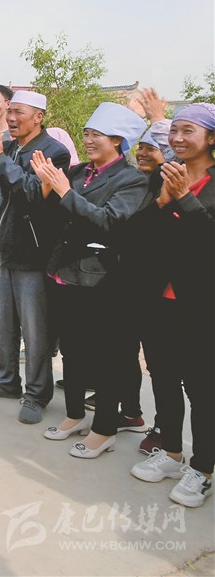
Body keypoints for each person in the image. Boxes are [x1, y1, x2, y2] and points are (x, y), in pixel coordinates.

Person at [32, 102, 148, 457]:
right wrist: (48, 190)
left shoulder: (132, 180)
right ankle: (75, 415)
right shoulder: (79, 171)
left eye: (97, 135)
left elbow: (109, 221)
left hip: (101, 279)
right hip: (64, 272)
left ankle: (105, 429)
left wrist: (64, 192)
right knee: (72, 351)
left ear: (118, 140)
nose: (88, 140)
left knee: (104, 355)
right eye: (86, 133)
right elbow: (55, 217)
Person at [129, 103, 215, 508]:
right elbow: (138, 234)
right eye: (174, 130)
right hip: (156, 298)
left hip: (200, 302)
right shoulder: (163, 175)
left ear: (211, 138)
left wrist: (185, 199)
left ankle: (203, 468)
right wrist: (163, 202)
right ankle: (171, 452)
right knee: (162, 377)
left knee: (202, 388)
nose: (178, 139)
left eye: (188, 131)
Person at [0, 90, 71, 424]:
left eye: (19, 113)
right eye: (9, 112)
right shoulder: (10, 148)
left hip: (32, 256)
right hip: (1, 253)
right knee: (1, 326)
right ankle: (6, 380)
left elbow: (32, 195)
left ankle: (37, 394)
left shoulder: (53, 153)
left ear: (39, 117)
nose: (11, 118)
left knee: (35, 331)